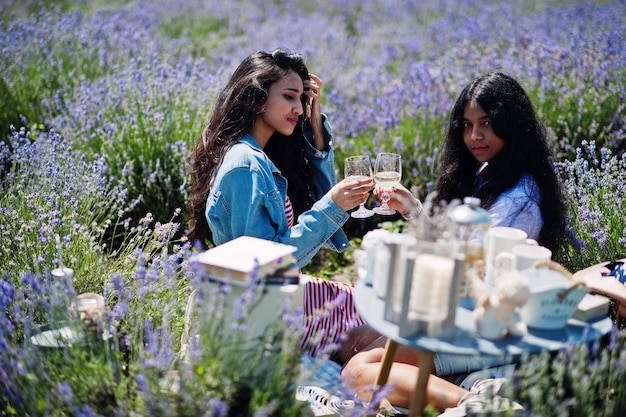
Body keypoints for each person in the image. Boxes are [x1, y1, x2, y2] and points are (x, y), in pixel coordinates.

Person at [339, 72, 566, 414]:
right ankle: (454, 385)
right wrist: (415, 210)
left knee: (356, 371)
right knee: (351, 342)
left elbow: (470, 277)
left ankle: (473, 403)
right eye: (467, 124)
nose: (475, 135)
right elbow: (461, 252)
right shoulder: (489, 170)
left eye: (487, 123)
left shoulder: (520, 200)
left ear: (512, 124)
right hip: (459, 309)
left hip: (484, 326)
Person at [187, 48, 372, 356]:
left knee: (378, 306)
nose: (298, 108)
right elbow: (264, 269)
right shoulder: (246, 165)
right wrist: (332, 207)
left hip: (275, 300)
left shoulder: (260, 154)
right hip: (258, 315)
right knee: (383, 319)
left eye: (302, 98)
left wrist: (315, 125)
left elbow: (317, 194)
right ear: (258, 97)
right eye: (289, 97)